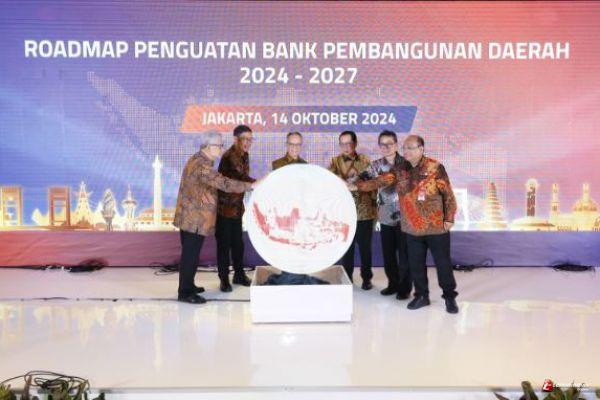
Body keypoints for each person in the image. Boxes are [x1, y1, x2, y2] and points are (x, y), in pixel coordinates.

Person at [357, 135, 459, 313]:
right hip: (412, 228)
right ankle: (421, 296)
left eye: (410, 148)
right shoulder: (399, 169)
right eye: (405, 148)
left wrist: (449, 218)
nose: (406, 151)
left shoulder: (435, 167)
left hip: (436, 227)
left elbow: (448, 195)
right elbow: (379, 181)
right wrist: (357, 184)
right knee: (416, 265)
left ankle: (450, 297)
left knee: (443, 264)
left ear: (421, 149)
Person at [173, 131, 257, 304]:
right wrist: (252, 185)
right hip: (194, 219)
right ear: (208, 146)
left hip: (191, 217)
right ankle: (185, 292)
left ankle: (189, 285)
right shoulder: (202, 166)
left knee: (191, 254)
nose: (221, 148)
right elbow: (224, 183)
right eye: (219, 145)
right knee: (190, 256)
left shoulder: (199, 159)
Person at [362, 130, 412, 300]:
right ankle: (393, 284)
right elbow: (361, 179)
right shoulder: (376, 165)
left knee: (405, 255)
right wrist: (350, 184)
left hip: (406, 217)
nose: (386, 147)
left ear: (396, 145)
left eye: (389, 144)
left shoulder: (408, 164)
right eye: (382, 144)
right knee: (388, 255)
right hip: (385, 217)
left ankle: (405, 288)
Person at [329, 130, 377, 290]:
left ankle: (367, 279)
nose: (345, 147)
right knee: (346, 249)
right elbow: (331, 183)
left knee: (365, 249)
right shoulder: (335, 162)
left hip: (365, 212)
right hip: (345, 214)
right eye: (342, 144)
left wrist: (374, 209)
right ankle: (347, 277)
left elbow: (372, 183)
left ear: (355, 144)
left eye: (348, 143)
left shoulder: (365, 160)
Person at [216, 125, 256, 292]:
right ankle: (224, 279)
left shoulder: (244, 155)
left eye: (250, 139)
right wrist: (258, 183)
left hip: (237, 209)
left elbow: (244, 179)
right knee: (224, 246)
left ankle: (239, 274)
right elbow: (240, 179)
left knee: (238, 244)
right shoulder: (229, 156)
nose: (247, 142)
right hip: (224, 210)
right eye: (244, 139)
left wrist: (255, 184)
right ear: (235, 139)